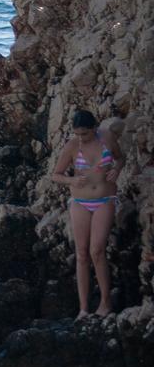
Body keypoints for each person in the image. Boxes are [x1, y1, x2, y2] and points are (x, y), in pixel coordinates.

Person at [50, 110, 123, 319]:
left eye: (86, 134)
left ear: (94, 128)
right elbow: (56, 175)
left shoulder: (107, 138)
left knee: (97, 250)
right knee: (81, 254)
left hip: (105, 200)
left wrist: (117, 169)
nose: (81, 138)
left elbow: (120, 159)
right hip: (80, 202)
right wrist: (71, 181)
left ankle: (105, 302)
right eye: (78, 134)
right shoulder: (72, 146)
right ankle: (83, 308)